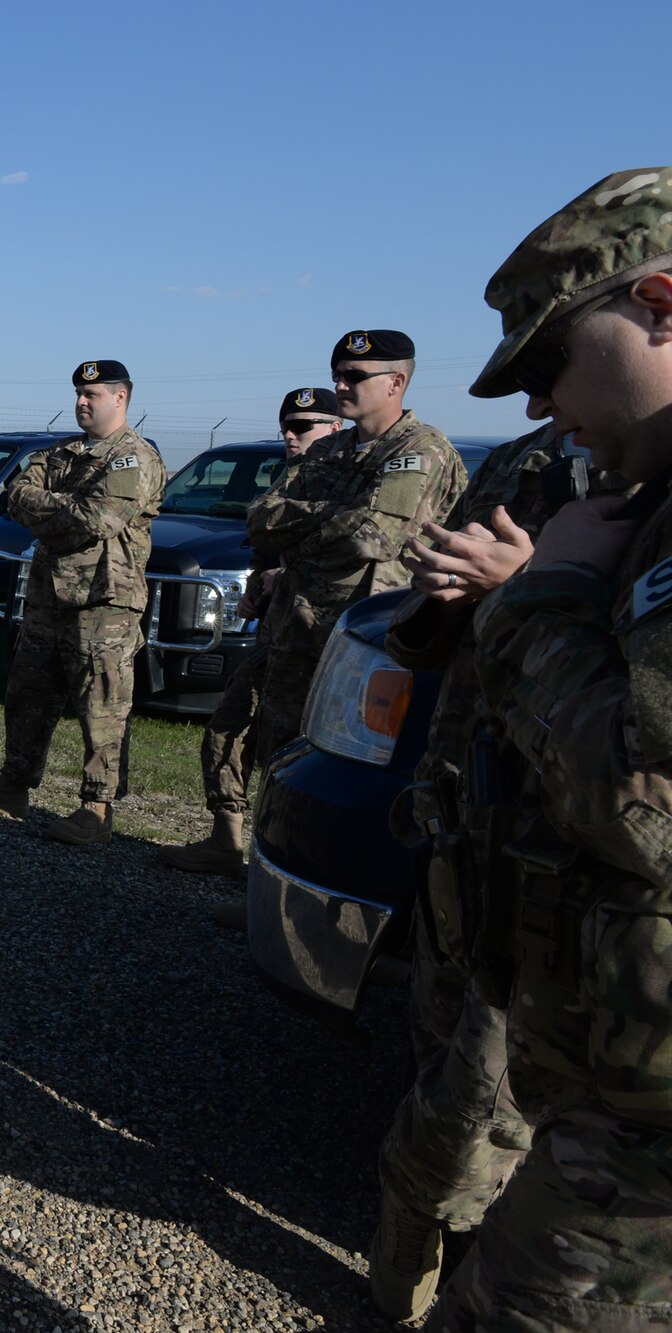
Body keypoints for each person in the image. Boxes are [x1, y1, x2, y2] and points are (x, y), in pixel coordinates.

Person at [422, 167, 672, 1332]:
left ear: (658, 303)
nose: (534, 408)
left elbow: (644, 800)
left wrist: (541, 598)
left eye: (546, 362)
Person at [364, 421, 607, 1321]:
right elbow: (424, 636)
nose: (540, 387)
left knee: (480, 1112)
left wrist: (530, 586)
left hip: (572, 865)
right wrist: (445, 596)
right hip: (468, 831)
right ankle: (406, 1284)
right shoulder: (528, 461)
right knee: (445, 1071)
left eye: (553, 351)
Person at [0, 360, 165, 845]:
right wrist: (55, 508)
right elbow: (12, 496)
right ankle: (13, 786)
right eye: (78, 394)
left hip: (103, 599)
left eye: (93, 394)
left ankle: (96, 807)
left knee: (102, 705)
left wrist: (43, 508)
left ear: (121, 398)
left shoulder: (135, 457)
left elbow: (97, 521)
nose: (82, 402)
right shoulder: (62, 452)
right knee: (28, 692)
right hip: (49, 594)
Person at [243, 331, 466, 766]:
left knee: (346, 765)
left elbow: (372, 536)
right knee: (281, 758)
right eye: (338, 376)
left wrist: (299, 522)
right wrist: (338, 512)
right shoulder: (327, 449)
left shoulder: (420, 450)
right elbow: (259, 520)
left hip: (365, 638)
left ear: (395, 383)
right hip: (297, 630)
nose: (341, 386)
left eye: (354, 376)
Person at [159, 388, 345, 875]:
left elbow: (368, 546)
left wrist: (284, 567)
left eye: (304, 425)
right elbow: (264, 532)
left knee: (291, 759)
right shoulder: (293, 476)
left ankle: (283, 868)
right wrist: (262, 582)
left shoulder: (352, 477)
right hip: (276, 630)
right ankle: (226, 840)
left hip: (324, 642)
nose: (291, 433)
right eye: (286, 423)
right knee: (225, 729)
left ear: (335, 427)